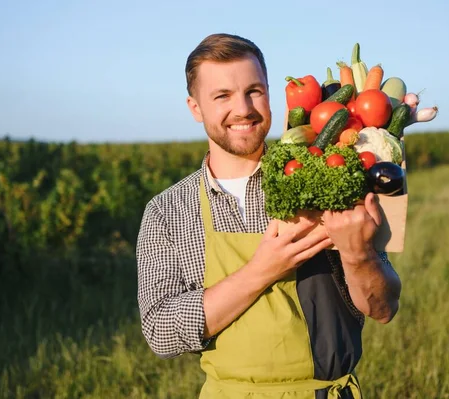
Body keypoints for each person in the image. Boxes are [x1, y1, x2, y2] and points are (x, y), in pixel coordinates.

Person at [136, 33, 402, 399]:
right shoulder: (168, 210)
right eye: (222, 96)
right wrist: (265, 268)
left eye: (254, 91)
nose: (243, 108)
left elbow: (384, 308)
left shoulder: (325, 177)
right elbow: (159, 332)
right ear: (195, 108)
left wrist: (359, 254)